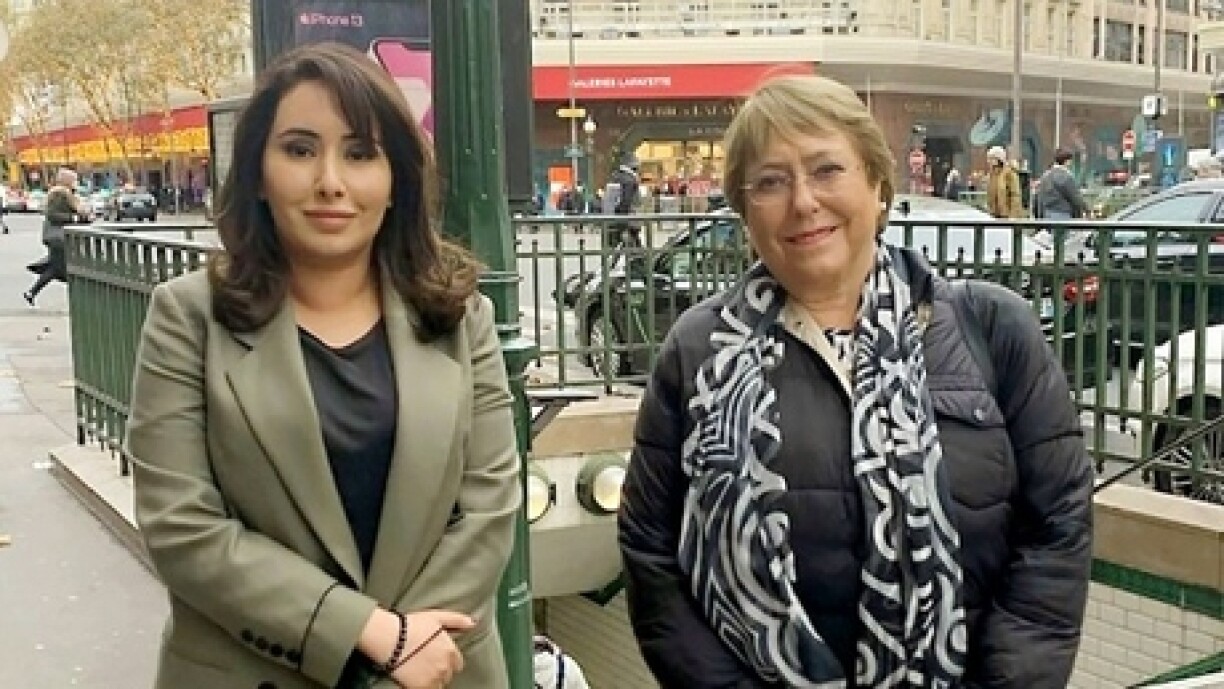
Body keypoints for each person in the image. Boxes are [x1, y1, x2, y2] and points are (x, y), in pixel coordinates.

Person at [619, 74, 1092, 688]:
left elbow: (1057, 530)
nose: (803, 202)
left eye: (826, 170)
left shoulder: (993, 328)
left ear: (877, 184)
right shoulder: (696, 351)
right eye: (770, 181)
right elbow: (651, 553)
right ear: (744, 211)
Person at [124, 42, 520, 689]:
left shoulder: (458, 316)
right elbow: (182, 526)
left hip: (435, 673)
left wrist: (408, 652)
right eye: (300, 149)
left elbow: (489, 505)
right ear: (257, 171)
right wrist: (365, 632)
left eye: (361, 153)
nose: (330, 180)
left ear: (397, 180)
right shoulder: (188, 318)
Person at [24, 168, 84, 306]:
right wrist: (74, 218)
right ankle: (78, 298)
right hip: (58, 238)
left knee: (56, 268)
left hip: (57, 237)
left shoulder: (66, 193)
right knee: (63, 268)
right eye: (74, 180)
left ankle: (31, 293)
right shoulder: (59, 194)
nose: (76, 183)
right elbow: (52, 215)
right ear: (67, 181)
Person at [1034, 149, 1088, 220]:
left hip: (1047, 214)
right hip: (1063, 214)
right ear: (1067, 161)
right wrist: (1087, 209)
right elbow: (1075, 196)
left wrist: (1039, 215)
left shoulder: (1045, 176)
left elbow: (1040, 197)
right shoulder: (1066, 176)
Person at [605, 152, 642, 248]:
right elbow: (626, 201)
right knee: (634, 248)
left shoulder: (616, 176)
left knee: (616, 248)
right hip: (628, 220)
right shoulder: (629, 179)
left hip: (613, 219)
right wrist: (623, 221)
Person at [985, 145, 1024, 219]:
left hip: (1007, 215)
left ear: (999, 159)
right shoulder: (991, 175)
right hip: (993, 214)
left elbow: (1015, 195)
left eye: (991, 158)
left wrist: (1013, 216)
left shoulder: (1009, 173)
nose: (988, 161)